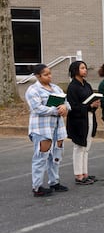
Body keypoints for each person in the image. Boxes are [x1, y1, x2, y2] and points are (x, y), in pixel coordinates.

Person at [25, 64, 71, 197]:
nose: (49, 76)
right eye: (46, 74)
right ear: (38, 76)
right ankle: (37, 186)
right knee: (41, 157)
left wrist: (64, 107)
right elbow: (37, 108)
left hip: (58, 128)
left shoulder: (56, 88)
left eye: (50, 73)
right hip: (42, 128)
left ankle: (54, 181)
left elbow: (66, 103)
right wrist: (56, 110)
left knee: (56, 155)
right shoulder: (33, 90)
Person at [67, 60, 101, 185]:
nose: (85, 70)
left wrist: (95, 104)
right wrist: (88, 106)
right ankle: (78, 175)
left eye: (85, 68)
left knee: (86, 147)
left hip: (89, 117)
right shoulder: (72, 87)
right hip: (78, 120)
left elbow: (90, 100)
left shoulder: (86, 85)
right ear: (75, 70)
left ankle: (85, 173)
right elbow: (73, 106)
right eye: (82, 68)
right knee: (79, 147)